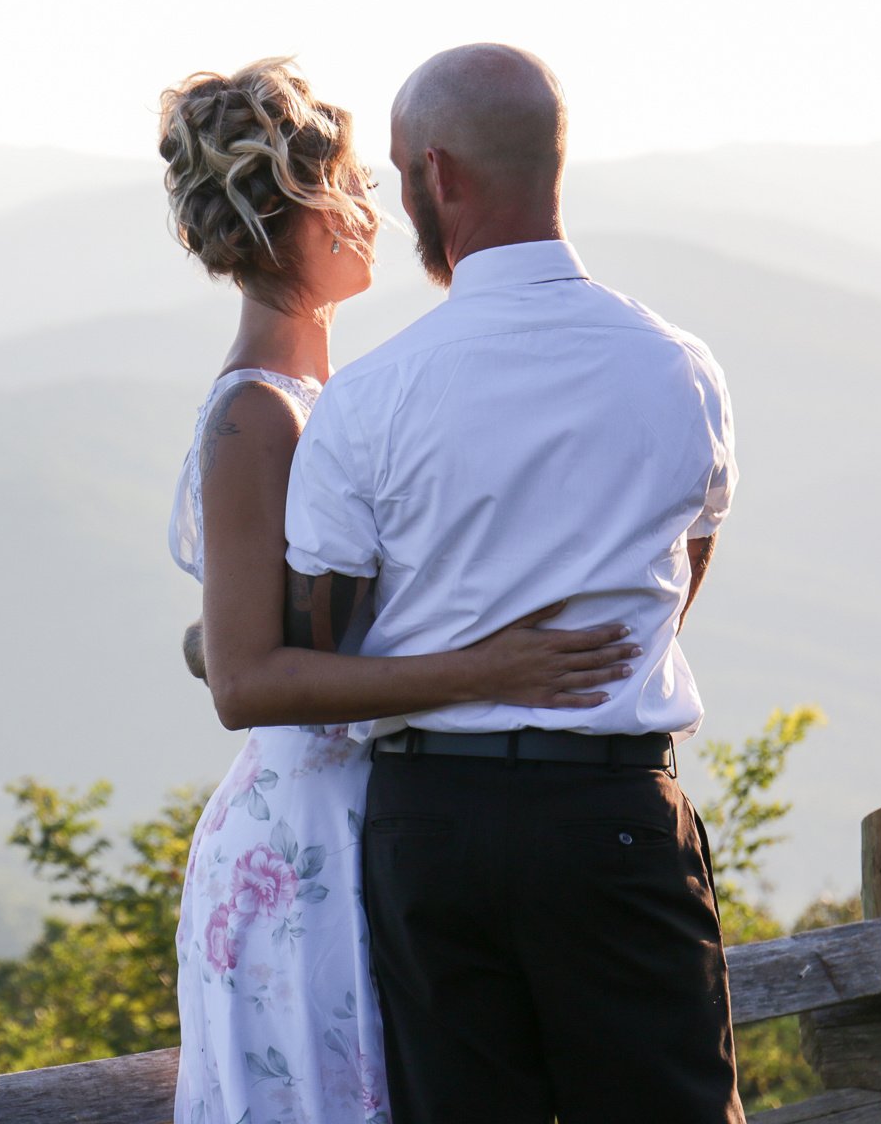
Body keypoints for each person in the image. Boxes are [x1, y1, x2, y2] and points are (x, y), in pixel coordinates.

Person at [160, 58, 642, 1124]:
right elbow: (242, 679)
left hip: (381, 813)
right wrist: (493, 667)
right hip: (304, 838)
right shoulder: (258, 417)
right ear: (306, 213)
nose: (379, 212)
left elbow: (234, 633)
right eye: (356, 189)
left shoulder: (325, 397)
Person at [283, 43, 743, 1123]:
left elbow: (321, 646)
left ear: (438, 176)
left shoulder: (373, 396)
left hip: (429, 823)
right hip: (611, 810)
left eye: (399, 175)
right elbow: (686, 564)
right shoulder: (677, 365)